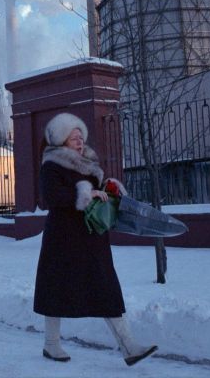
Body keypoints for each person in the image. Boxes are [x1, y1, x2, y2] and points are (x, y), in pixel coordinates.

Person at [34, 112, 157, 366]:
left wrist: (108, 188)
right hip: (64, 238)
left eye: (81, 137)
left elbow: (96, 190)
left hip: (91, 237)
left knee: (106, 287)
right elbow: (52, 197)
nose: (79, 142)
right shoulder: (51, 165)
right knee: (56, 288)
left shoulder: (87, 162)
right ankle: (51, 344)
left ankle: (129, 346)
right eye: (73, 138)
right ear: (61, 140)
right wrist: (86, 193)